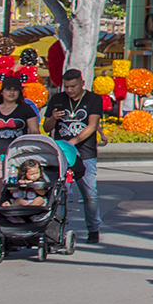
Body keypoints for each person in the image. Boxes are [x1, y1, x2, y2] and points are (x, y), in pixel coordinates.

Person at [42, 70, 103, 243]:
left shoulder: (93, 99)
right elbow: (46, 128)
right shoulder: (57, 99)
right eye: (66, 86)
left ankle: (93, 229)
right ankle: (52, 229)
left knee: (90, 193)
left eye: (73, 86)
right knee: (55, 193)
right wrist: (53, 118)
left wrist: (73, 142)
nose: (69, 90)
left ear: (82, 83)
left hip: (85, 152)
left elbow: (92, 125)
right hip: (61, 153)